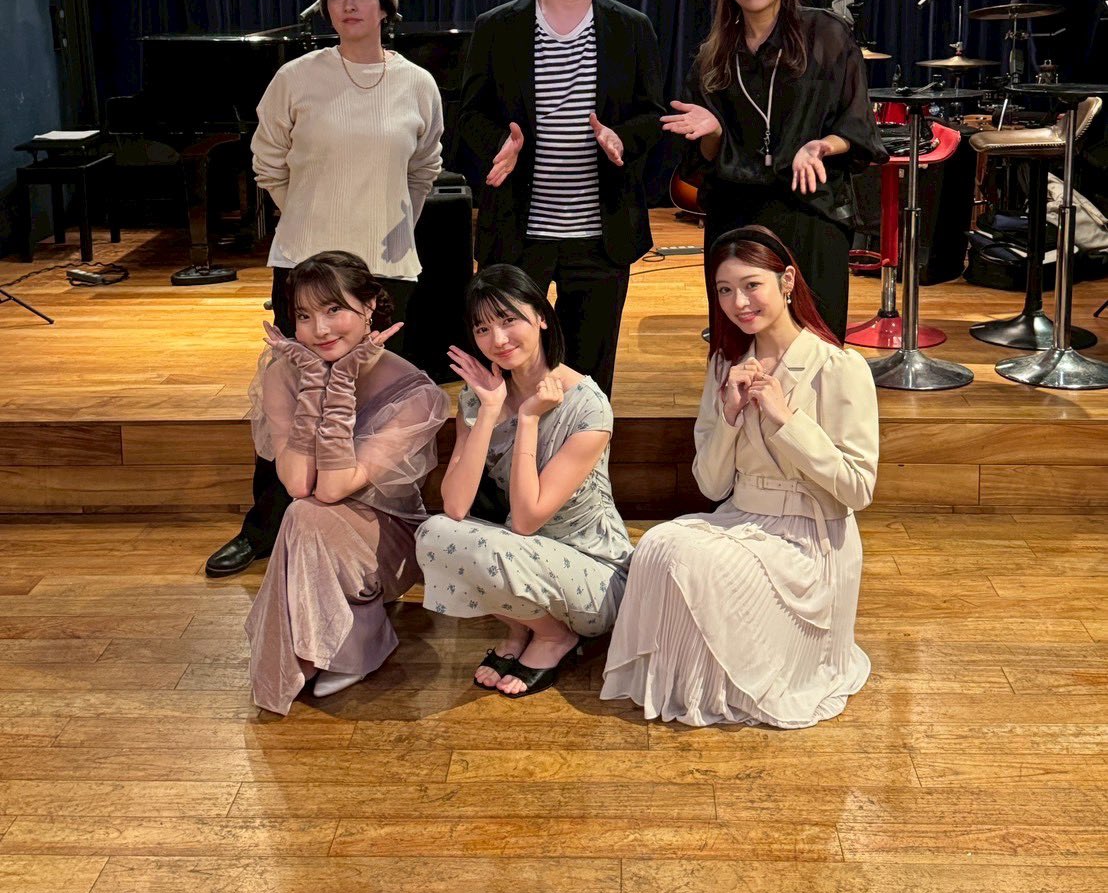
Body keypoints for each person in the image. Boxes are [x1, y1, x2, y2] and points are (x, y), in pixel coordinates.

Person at [205, 0, 444, 578]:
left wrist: (390, 222)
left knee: (375, 400)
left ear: (385, 5)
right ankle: (265, 527)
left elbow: (424, 168)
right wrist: (309, 224)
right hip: (305, 266)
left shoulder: (417, 83)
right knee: (293, 397)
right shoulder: (296, 77)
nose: (348, 5)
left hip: (386, 268)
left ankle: (374, 527)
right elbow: (267, 160)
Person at [601, 225, 878, 728]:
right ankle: (693, 684)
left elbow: (858, 488)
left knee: (689, 557)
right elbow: (710, 486)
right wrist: (728, 417)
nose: (738, 303)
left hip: (810, 539)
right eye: (725, 290)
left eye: (751, 285)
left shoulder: (840, 367)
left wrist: (786, 420)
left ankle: (721, 681)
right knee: (659, 544)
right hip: (742, 520)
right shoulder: (724, 368)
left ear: (787, 281)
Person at [453, 0, 664, 398]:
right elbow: (470, 112)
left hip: (601, 235)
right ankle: (510, 451)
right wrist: (500, 145)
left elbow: (652, 115)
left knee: (589, 377)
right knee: (509, 367)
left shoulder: (631, 28)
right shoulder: (498, 27)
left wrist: (621, 140)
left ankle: (583, 454)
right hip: (518, 232)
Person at [662, 0, 885, 340]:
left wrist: (820, 146)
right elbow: (700, 162)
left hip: (811, 210)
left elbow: (857, 125)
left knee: (814, 347)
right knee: (740, 347)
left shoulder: (827, 35)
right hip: (736, 217)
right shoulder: (712, 57)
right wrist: (713, 134)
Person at [245, 250, 450, 715]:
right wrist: (314, 383)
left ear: (370, 306)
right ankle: (345, 644)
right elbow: (298, 483)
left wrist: (339, 385)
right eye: (304, 316)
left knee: (309, 515)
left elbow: (334, 487)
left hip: (390, 538)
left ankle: (337, 648)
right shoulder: (285, 374)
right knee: (303, 513)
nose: (319, 330)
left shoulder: (415, 391)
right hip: (314, 523)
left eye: (333, 309)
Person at [415, 264, 633, 698]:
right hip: (522, 559)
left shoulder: (588, 405)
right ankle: (524, 628)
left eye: (508, 319)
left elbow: (527, 520)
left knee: (492, 544)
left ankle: (554, 636)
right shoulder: (479, 396)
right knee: (433, 533)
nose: (497, 339)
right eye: (482, 328)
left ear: (541, 317)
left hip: (593, 575)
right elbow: (455, 505)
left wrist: (529, 418)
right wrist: (489, 410)